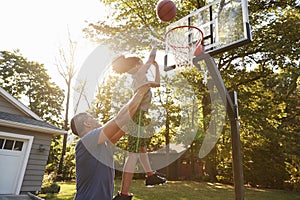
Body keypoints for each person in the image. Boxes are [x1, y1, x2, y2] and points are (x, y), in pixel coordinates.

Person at [70, 84, 151, 200]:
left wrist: (138, 113)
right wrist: (140, 92)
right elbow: (120, 119)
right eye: (91, 117)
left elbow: (125, 125)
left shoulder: (102, 144)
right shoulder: (86, 141)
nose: (96, 118)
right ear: (87, 124)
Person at [112, 40, 166, 200]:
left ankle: (150, 175)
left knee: (141, 149)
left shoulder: (140, 78)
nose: (144, 65)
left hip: (139, 117)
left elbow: (157, 83)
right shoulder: (138, 74)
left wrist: (156, 67)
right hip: (137, 117)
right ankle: (123, 194)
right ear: (136, 64)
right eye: (141, 63)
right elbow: (149, 59)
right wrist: (154, 47)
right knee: (133, 154)